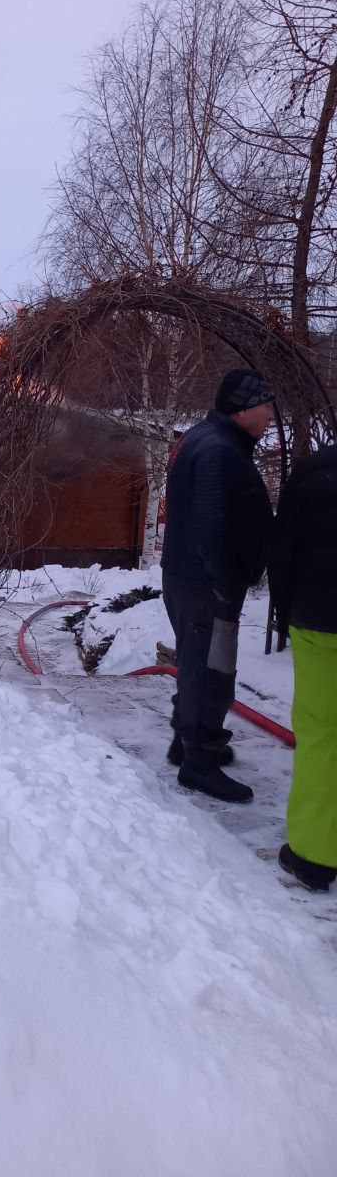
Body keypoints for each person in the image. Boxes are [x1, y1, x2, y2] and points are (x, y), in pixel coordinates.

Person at [160, 369, 275, 803]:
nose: (269, 414)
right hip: (205, 583)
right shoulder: (218, 450)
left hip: (190, 577)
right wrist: (227, 585)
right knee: (212, 673)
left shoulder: (207, 438)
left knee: (197, 665)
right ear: (243, 408)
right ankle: (199, 764)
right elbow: (209, 527)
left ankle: (185, 742)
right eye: (265, 405)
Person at [267, 446, 337, 892]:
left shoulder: (316, 471)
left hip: (321, 623)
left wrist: (288, 611)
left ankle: (313, 855)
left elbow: (283, 547)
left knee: (322, 735)